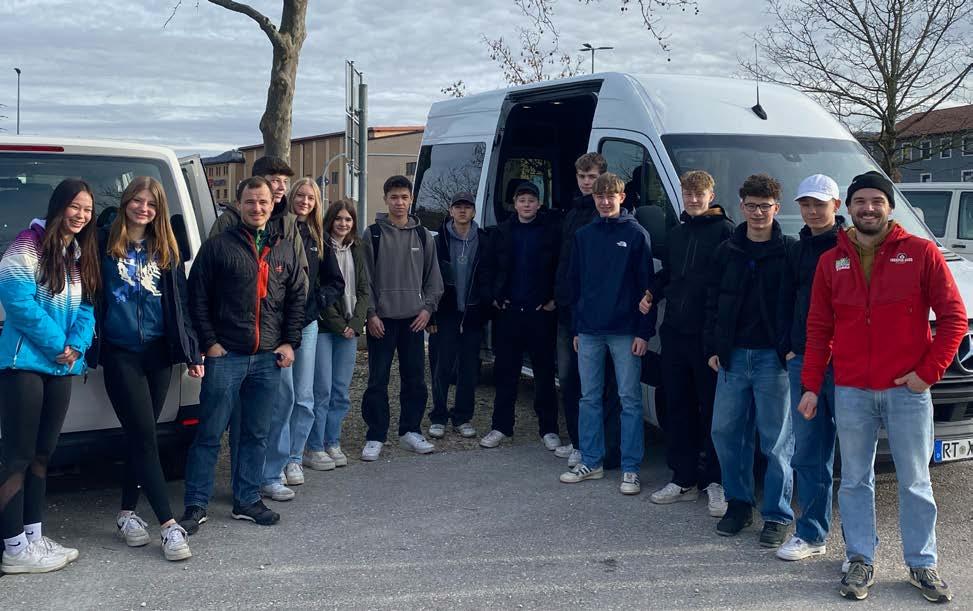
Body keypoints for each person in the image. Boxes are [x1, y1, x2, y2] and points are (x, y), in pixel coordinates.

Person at [798, 171, 966, 603]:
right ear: (849, 207)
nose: (868, 208)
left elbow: (953, 318)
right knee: (855, 480)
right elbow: (819, 329)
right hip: (852, 389)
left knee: (915, 481)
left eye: (876, 201)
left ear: (890, 207)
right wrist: (811, 385)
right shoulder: (831, 261)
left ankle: (922, 563)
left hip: (908, 390)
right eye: (860, 201)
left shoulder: (921, 253)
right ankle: (860, 559)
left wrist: (927, 373)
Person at [180, 177, 306, 532]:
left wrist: (289, 342)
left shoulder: (284, 248)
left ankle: (247, 499)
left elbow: (297, 297)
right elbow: (196, 297)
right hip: (226, 356)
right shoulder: (218, 246)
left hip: (267, 359)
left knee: (255, 433)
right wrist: (210, 343)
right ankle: (196, 503)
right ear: (238, 205)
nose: (257, 208)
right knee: (209, 433)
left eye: (263, 201)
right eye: (250, 201)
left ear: (273, 204)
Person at [93, 177, 200, 562]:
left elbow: (181, 304)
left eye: (151, 204)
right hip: (121, 353)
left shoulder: (165, 247)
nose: (143, 208)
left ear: (159, 210)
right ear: (125, 203)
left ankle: (126, 514)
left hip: (158, 354)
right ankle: (169, 526)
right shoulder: (102, 243)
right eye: (137, 201)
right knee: (144, 436)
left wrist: (192, 352)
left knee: (143, 436)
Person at [0, 179, 98, 574]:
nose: (81, 215)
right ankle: (13, 548)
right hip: (24, 365)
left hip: (61, 367)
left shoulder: (78, 253)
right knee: (17, 456)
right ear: (59, 206)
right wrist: (60, 344)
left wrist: (77, 346)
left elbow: (88, 307)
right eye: (75, 206)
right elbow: (16, 300)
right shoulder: (28, 243)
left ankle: (34, 536)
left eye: (87, 210)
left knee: (43, 453)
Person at [705, 174, 795, 547]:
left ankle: (777, 514)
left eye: (765, 206)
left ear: (777, 208)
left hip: (773, 359)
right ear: (741, 206)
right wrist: (714, 346)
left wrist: (791, 346)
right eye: (752, 205)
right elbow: (712, 301)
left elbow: (798, 304)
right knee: (726, 432)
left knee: (775, 441)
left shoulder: (789, 251)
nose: (758, 213)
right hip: (733, 356)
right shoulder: (727, 250)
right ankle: (739, 504)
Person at [642, 170, 732, 516]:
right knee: (677, 407)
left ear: (711, 196)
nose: (693, 200)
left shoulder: (726, 232)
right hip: (674, 334)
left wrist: (719, 338)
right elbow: (670, 273)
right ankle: (683, 478)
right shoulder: (676, 233)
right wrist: (652, 291)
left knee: (712, 411)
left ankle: (716, 481)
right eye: (688, 194)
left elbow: (727, 287)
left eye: (699, 194)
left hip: (706, 339)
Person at [559, 173, 654, 494]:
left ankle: (631, 468)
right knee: (589, 398)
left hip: (626, 331)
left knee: (629, 400)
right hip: (588, 331)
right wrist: (576, 327)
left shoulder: (636, 234)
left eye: (610, 196)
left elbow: (647, 287)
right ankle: (591, 461)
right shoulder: (584, 235)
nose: (604, 201)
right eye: (599, 196)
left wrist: (643, 332)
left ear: (621, 197)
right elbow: (575, 285)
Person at [774, 175, 843, 563]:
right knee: (809, 453)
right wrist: (786, 346)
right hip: (804, 360)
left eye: (820, 203)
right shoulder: (796, 249)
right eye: (806, 204)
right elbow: (784, 300)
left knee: (856, 461)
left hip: (846, 363)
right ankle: (812, 533)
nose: (813, 211)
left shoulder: (851, 247)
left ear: (836, 205)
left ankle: (860, 549)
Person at [261, 178, 343, 501]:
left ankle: (295, 457)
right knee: (283, 396)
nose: (304, 201)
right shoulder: (277, 229)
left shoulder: (318, 236)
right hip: (277, 325)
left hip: (307, 324)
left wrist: (316, 301)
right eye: (300, 195)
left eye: (311, 197)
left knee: (304, 396)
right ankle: (277, 460)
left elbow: (335, 282)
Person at [360, 175, 443, 461]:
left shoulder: (423, 235)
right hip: (381, 321)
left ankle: (410, 430)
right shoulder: (372, 234)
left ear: (411, 199)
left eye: (404, 197)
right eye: (394, 197)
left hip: (414, 320)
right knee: (377, 380)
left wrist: (427, 309)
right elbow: (365, 280)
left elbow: (434, 278)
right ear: (385, 199)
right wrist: (371, 313)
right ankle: (375, 435)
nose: (399, 202)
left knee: (415, 379)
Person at [480, 181, 561, 450]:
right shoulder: (501, 232)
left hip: (540, 314)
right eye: (522, 200)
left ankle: (549, 429)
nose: (527, 204)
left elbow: (559, 267)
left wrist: (553, 299)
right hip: (509, 313)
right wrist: (493, 296)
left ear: (539, 204)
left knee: (544, 374)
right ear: (514, 204)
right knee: (506, 373)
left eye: (531, 200)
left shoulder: (551, 232)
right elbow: (487, 267)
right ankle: (501, 427)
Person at [553, 153, 622, 468]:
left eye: (592, 177)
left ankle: (597, 444)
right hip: (568, 310)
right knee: (570, 380)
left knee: (598, 383)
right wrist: (557, 296)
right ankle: (578, 441)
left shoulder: (605, 216)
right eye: (582, 176)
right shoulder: (572, 212)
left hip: (595, 315)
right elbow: (565, 262)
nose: (586, 182)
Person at [305, 200, 370, 469]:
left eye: (348, 219)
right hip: (324, 329)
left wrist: (355, 323)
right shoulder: (320, 247)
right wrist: (338, 324)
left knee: (341, 391)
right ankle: (314, 447)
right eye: (339, 218)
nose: (343, 224)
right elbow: (320, 290)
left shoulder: (357, 248)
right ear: (330, 220)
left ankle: (333, 441)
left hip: (350, 330)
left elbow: (365, 289)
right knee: (321, 390)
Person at [427, 192, 491, 440]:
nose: (463, 211)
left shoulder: (484, 240)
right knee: (441, 367)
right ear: (450, 211)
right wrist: (430, 315)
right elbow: (427, 277)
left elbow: (490, 274)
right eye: (458, 207)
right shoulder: (438, 241)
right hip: (445, 313)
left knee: (469, 370)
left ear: (474, 211)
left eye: (467, 207)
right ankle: (439, 416)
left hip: (473, 312)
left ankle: (463, 417)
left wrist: (486, 306)